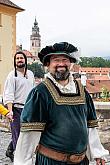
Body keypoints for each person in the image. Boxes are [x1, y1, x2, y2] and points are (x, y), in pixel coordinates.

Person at [14, 42, 109, 165]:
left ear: (70, 63)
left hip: (81, 161)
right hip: (51, 162)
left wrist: (97, 153)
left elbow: (90, 126)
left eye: (65, 59)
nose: (61, 64)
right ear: (48, 64)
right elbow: (29, 135)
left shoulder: (81, 90)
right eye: (56, 60)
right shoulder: (40, 93)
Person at [3, 51, 35, 162]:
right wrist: (10, 111)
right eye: (17, 58)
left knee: (25, 133)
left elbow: (32, 92)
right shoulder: (12, 75)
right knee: (18, 135)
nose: (19, 60)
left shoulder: (30, 74)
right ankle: (20, 159)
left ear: (25, 60)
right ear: (15, 61)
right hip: (15, 109)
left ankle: (10, 150)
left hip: (27, 109)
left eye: (21, 58)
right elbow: (9, 94)